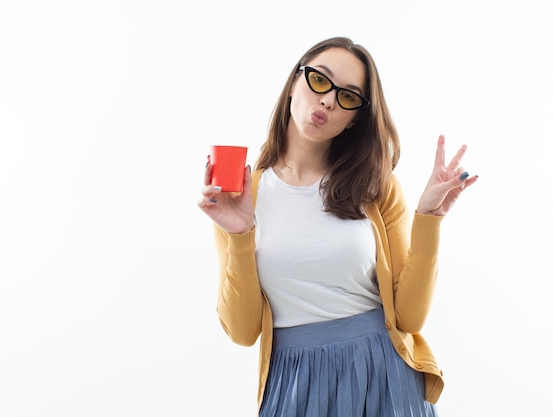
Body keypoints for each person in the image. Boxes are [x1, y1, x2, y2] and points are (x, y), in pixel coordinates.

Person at [197, 36, 477, 417]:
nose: (328, 100)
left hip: (383, 375)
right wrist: (240, 235)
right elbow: (243, 332)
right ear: (294, 82)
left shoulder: (376, 187)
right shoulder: (243, 195)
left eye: (347, 96)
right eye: (319, 80)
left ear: (354, 118)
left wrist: (429, 219)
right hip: (294, 381)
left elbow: (409, 318)